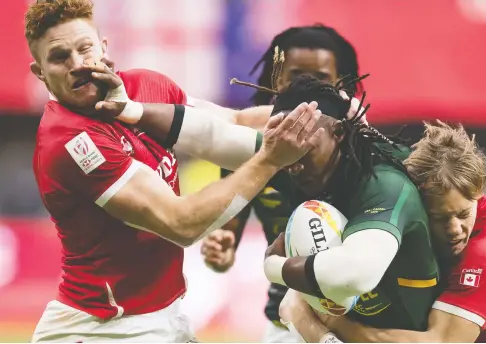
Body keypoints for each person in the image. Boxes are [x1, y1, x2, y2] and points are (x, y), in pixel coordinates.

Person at [25, 0, 323, 342]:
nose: (77, 64)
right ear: (40, 73)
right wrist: (272, 158)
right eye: (60, 57)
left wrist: (320, 119)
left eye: (84, 48)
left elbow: (233, 121)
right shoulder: (69, 141)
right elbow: (181, 223)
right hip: (101, 328)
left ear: (103, 47)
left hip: (161, 316)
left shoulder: (146, 87)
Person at [279, 122, 486, 343]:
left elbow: (438, 342)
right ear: (416, 202)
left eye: (463, 214)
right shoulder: (400, 197)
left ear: (479, 194)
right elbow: (292, 304)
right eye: (439, 218)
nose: (454, 230)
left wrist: (331, 325)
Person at [199, 24, 365, 343]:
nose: (307, 87)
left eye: (320, 78)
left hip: (353, 324)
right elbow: (227, 242)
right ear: (277, 83)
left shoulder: (362, 151)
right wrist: (219, 249)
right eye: (296, 76)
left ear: (341, 86)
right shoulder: (247, 150)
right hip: (283, 324)